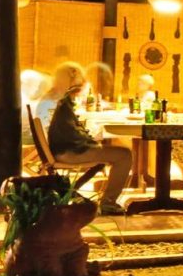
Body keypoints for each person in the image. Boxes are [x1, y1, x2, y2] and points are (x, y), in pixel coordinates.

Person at [29, 62, 135, 214]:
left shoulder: (55, 97)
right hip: (68, 151)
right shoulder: (61, 99)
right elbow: (70, 134)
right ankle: (108, 203)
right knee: (125, 155)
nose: (84, 85)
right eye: (82, 81)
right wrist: (90, 140)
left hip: (61, 148)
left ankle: (104, 200)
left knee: (117, 151)